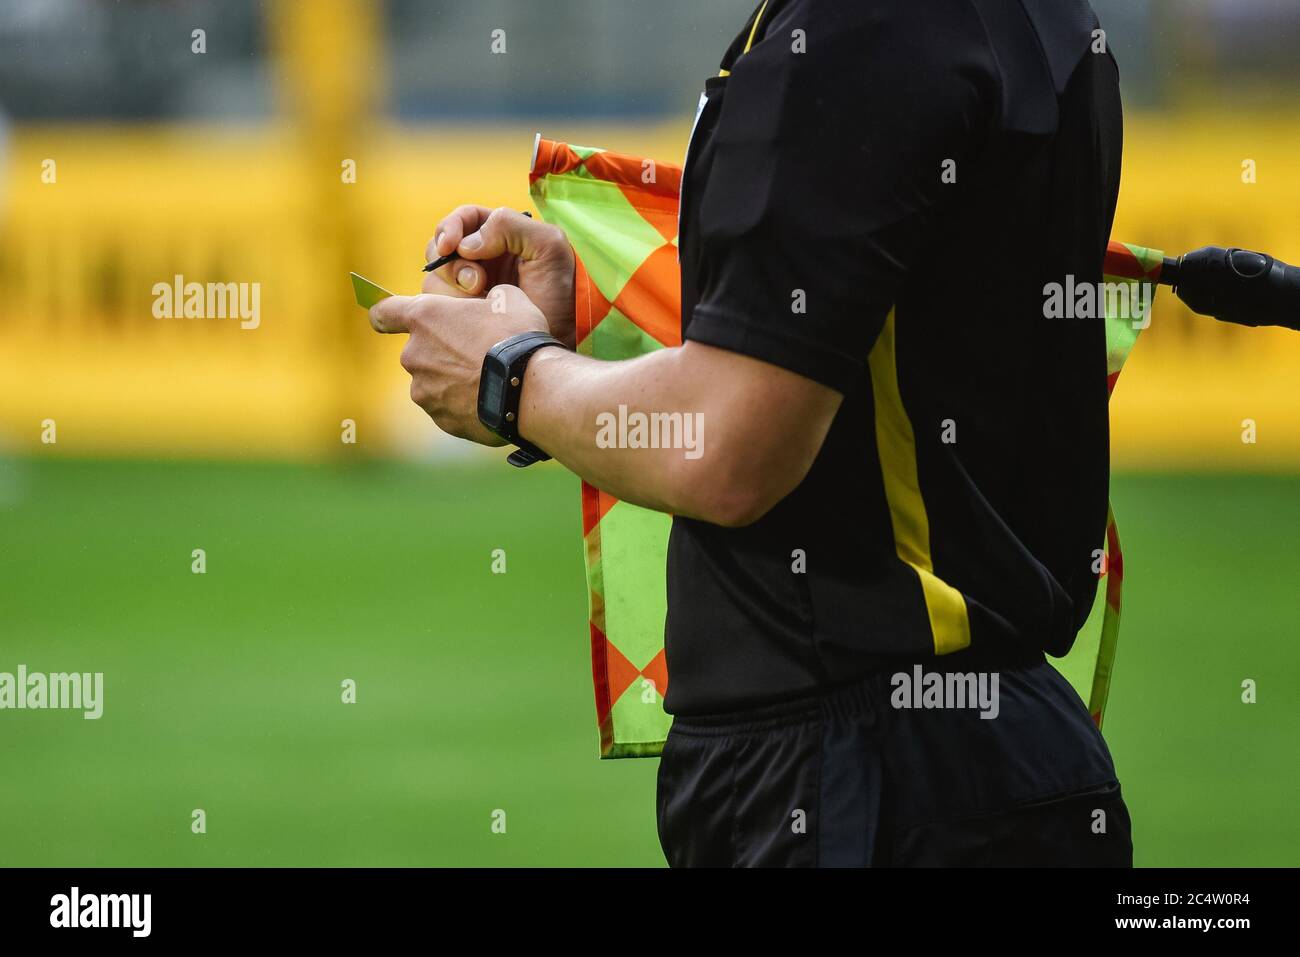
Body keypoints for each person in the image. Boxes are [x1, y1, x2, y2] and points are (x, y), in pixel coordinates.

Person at [369, 0, 1133, 867]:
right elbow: (878, 347)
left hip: (860, 775)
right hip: (987, 755)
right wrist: (593, 321)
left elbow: (735, 450)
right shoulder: (1034, 18)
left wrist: (512, 378)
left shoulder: (859, 32)